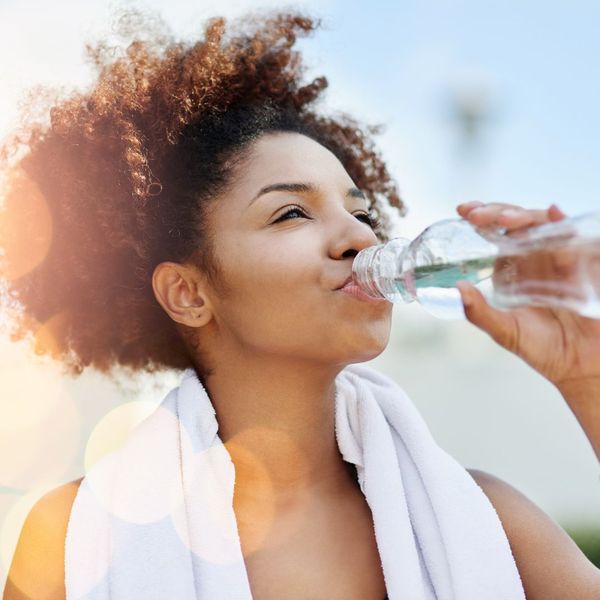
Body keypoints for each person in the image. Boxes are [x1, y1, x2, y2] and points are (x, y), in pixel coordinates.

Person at [2, 9, 600, 600]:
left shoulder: (489, 522)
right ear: (188, 293)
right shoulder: (73, 538)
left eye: (361, 213)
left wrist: (587, 376)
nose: (362, 238)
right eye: (291, 212)